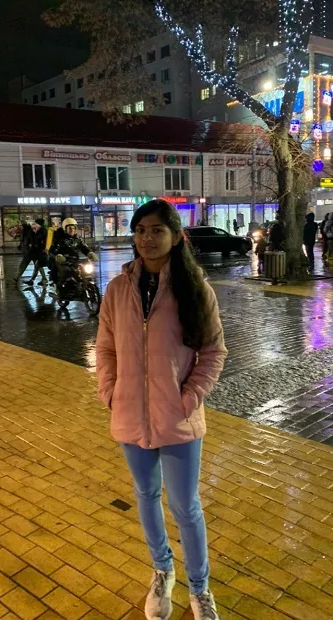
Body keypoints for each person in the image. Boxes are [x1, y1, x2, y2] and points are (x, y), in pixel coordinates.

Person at [96, 200, 227, 620]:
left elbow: (213, 351)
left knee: (186, 506)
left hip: (178, 417)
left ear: (175, 236)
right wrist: (110, 391)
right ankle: (162, 570)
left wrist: (189, 398)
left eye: (156, 230)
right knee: (146, 495)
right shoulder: (118, 290)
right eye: (140, 230)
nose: (146, 239)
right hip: (130, 414)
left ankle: (200, 588)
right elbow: (105, 347)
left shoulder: (195, 288)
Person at [48, 217, 97, 284]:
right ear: (65, 229)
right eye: (70, 228)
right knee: (64, 278)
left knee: (86, 275)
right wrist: (58, 256)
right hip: (63, 263)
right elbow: (51, 251)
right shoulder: (59, 240)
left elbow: (84, 248)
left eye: (73, 228)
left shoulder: (78, 239)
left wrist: (90, 253)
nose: (72, 230)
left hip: (75, 262)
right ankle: (59, 287)